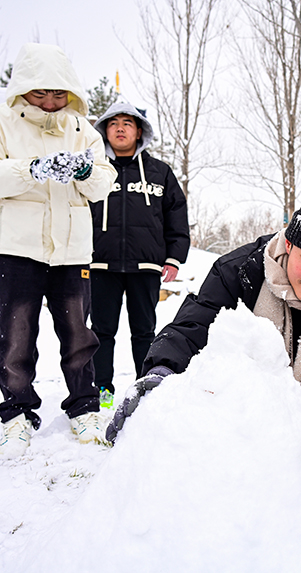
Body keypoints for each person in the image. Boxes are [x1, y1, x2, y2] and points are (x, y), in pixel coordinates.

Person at [105, 176, 301, 481]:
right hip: (239, 403)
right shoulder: (239, 269)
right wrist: (160, 375)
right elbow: (192, 326)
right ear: (289, 243)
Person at [0, 43, 118, 458]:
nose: (50, 103)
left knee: (79, 336)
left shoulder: (83, 130)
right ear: (22, 90)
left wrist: (85, 171)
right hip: (17, 250)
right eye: (40, 94)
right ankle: (16, 415)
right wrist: (31, 170)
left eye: (58, 94)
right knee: (15, 338)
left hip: (71, 252)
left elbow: (104, 181)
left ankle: (84, 407)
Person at [89, 101, 190, 407]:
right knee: (101, 331)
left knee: (143, 331)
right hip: (99, 263)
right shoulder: (93, 170)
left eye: (127, 123)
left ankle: (142, 384)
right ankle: (101, 387)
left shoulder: (160, 172)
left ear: (139, 132)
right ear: (105, 130)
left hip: (146, 265)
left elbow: (177, 216)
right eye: (113, 123)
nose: (120, 128)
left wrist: (173, 258)